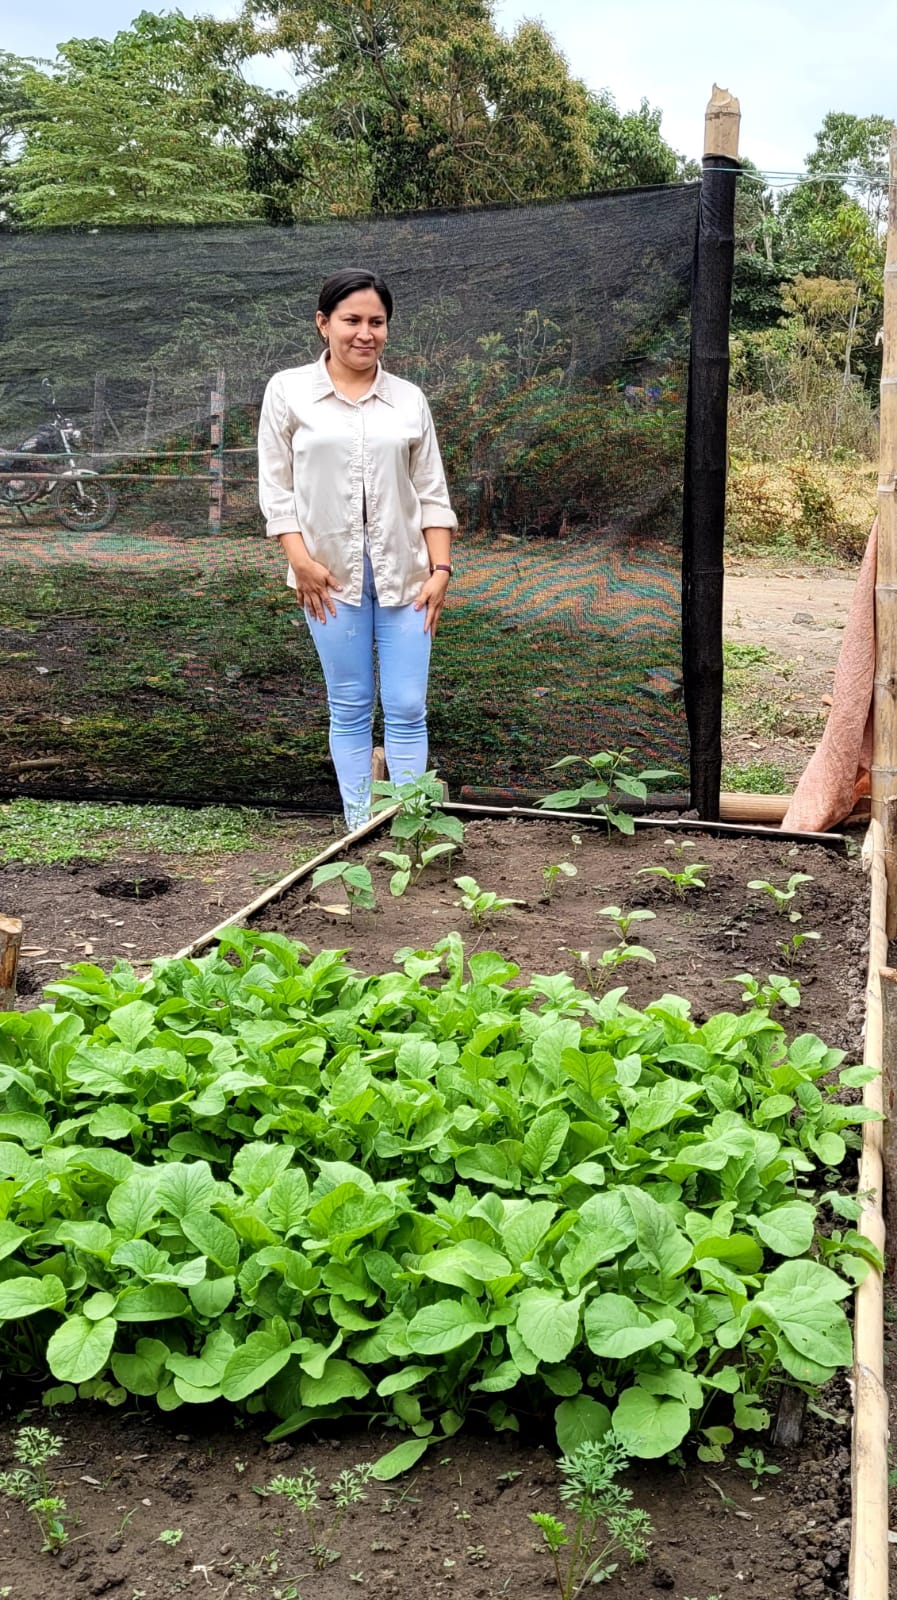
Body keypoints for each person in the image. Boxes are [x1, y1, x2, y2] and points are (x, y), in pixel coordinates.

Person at [258, 267, 457, 829]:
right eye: (352, 320)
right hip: (326, 579)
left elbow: (432, 493)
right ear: (324, 323)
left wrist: (441, 570)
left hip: (410, 579)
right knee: (348, 703)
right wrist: (300, 562)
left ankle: (410, 827)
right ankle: (360, 827)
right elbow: (276, 489)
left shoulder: (408, 399)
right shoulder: (288, 391)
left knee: (408, 706)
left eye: (377, 322)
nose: (365, 333)